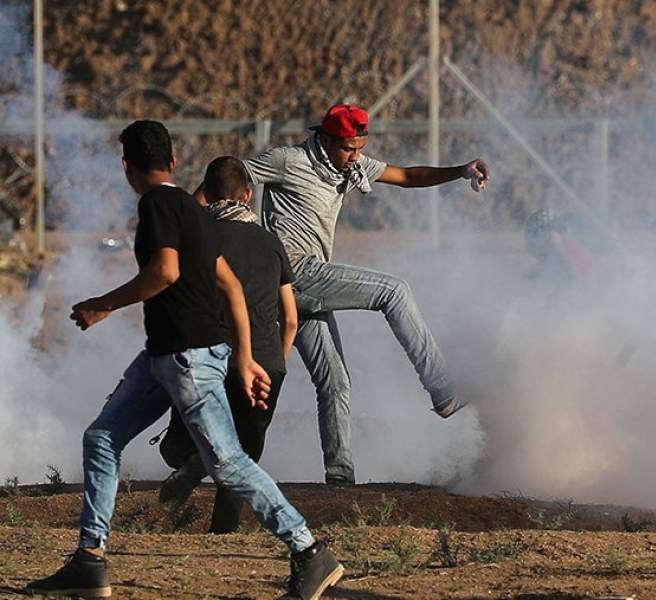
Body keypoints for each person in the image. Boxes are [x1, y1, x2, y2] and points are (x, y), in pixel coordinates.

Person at [26, 122, 342, 600]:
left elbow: (165, 271)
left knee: (228, 463)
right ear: (173, 163)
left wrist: (102, 305)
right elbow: (230, 286)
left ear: (127, 168)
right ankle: (90, 560)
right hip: (165, 354)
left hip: (187, 357)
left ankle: (309, 551)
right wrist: (245, 357)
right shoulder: (194, 213)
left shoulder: (157, 205)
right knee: (102, 437)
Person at [228, 103, 490, 484]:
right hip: (294, 271)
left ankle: (339, 478)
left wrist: (460, 171)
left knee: (335, 382)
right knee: (395, 291)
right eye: (348, 148)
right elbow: (230, 177)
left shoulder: (350, 166)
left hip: (301, 292)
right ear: (325, 139)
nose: (356, 156)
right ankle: (444, 391)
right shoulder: (289, 160)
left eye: (360, 147)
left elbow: (407, 175)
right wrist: (215, 225)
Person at [156, 156, 299, 535]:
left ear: (206, 194)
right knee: (244, 454)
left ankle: (196, 463)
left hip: (209, 356)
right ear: (249, 195)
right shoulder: (271, 243)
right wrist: (273, 365)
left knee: (176, 448)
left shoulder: (197, 239)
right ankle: (223, 531)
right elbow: (291, 318)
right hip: (266, 362)